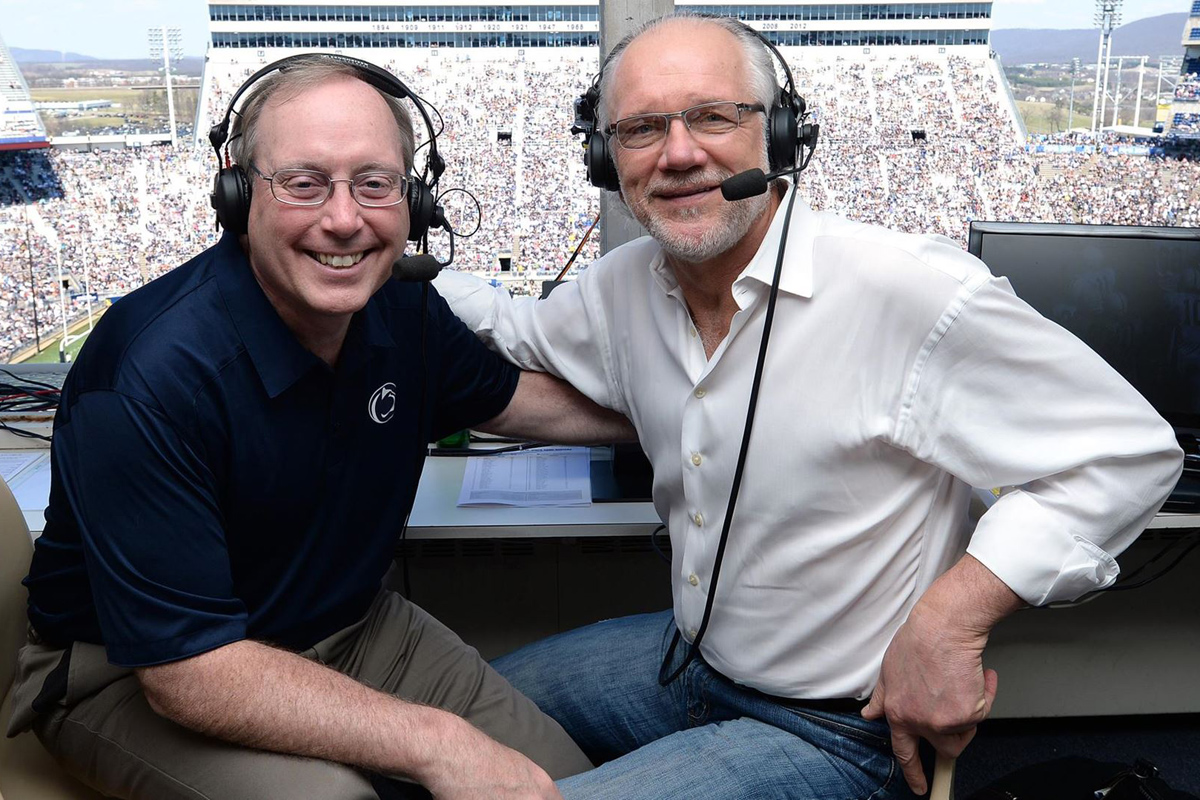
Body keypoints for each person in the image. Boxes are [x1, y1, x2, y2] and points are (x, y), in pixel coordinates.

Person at [433, 13, 1184, 799]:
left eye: (715, 116)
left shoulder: (913, 292)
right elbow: (511, 327)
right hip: (692, 661)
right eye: (642, 128)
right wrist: (369, 252)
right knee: (451, 710)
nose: (679, 153)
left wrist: (949, 619)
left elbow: (1127, 452)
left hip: (841, 730)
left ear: (781, 135)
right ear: (604, 157)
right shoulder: (620, 288)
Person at [7, 56, 636, 800]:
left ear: (415, 198)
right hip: (135, 671)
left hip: (353, 628)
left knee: (566, 787)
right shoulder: (153, 370)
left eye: (374, 183)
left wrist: (692, 421)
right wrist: (435, 742)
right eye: (304, 183)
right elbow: (188, 671)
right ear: (239, 193)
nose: (344, 219)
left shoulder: (402, 309)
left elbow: (516, 402)